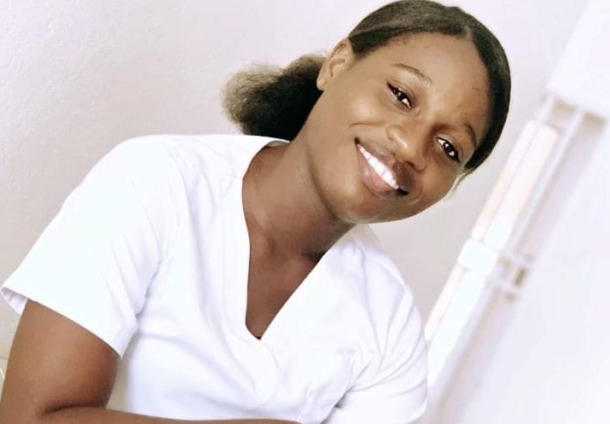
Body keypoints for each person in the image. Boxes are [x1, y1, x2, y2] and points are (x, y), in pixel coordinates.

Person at [0, 0, 511, 423]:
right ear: (337, 66)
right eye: (401, 96)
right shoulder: (155, 181)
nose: (410, 145)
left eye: (449, 148)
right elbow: (32, 416)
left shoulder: (389, 325)